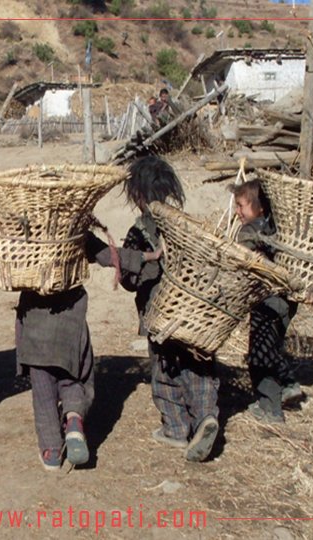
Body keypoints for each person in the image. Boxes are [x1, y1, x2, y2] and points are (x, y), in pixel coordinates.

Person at [17, 224, 160, 471]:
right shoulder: (74, 229)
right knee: (73, 377)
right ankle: (73, 420)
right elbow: (109, 255)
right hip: (70, 319)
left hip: (34, 323)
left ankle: (51, 451)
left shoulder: (21, 234)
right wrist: (150, 256)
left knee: (43, 388)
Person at [120, 155, 220, 462]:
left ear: (137, 194)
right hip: (192, 310)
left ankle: (176, 429)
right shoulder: (185, 223)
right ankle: (205, 417)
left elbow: (128, 277)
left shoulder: (139, 231)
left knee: (164, 369)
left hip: (158, 313)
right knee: (197, 365)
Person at [230, 180, 305, 424]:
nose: (237, 212)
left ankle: (270, 408)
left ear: (260, 208)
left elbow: (241, 258)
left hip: (267, 301)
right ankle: (289, 384)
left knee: (260, 354)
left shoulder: (250, 231)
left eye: (241, 206)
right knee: (273, 346)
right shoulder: (277, 229)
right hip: (286, 301)